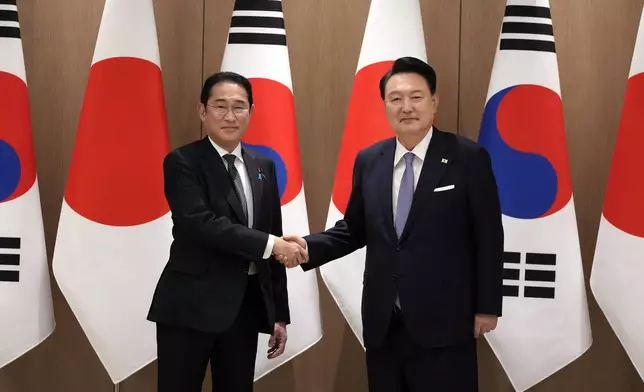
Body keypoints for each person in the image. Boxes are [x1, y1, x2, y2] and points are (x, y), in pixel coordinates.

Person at [281, 57, 504, 391]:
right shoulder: (370, 160)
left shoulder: (467, 158)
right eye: (395, 98)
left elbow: (489, 236)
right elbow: (355, 228)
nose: (406, 107)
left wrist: (487, 307)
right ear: (384, 104)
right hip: (384, 322)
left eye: (416, 97)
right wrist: (307, 247)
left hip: (445, 320)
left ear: (434, 101)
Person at [147, 71, 306, 392]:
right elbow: (200, 224)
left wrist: (278, 314)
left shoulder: (264, 165)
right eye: (220, 106)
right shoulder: (183, 162)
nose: (230, 116)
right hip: (189, 308)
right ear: (203, 111)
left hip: (243, 309)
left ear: (251, 111)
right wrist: (271, 243)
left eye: (239, 106)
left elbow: (272, 232)